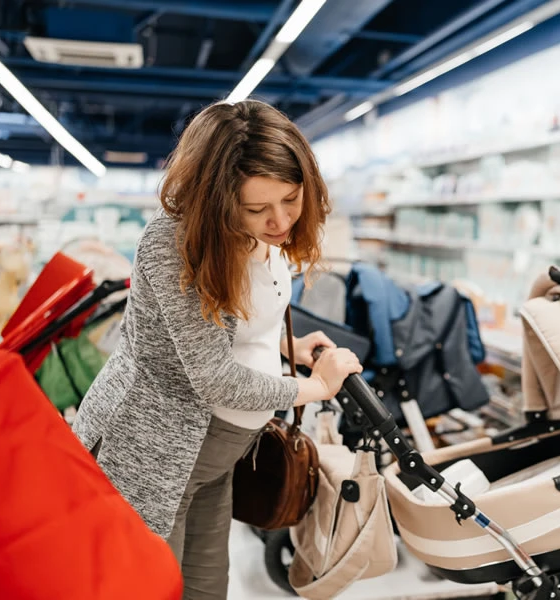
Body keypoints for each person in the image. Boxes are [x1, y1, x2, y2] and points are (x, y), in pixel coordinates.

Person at [72, 99, 363, 599]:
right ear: (218, 199)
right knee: (148, 586)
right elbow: (213, 375)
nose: (279, 221)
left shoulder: (265, 233)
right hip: (154, 448)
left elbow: (239, 324)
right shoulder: (176, 243)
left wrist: (285, 348)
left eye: (291, 199)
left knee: (208, 587)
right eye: (257, 209)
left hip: (219, 454)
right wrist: (316, 386)